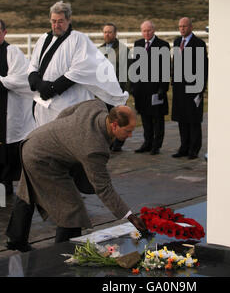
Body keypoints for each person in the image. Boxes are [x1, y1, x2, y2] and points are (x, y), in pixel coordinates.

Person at [6, 99, 147, 252]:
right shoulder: (94, 148)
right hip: (42, 159)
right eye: (128, 131)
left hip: (34, 140)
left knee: (27, 190)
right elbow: (104, 189)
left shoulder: (96, 105)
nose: (131, 135)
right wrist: (130, 217)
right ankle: (63, 256)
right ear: (114, 125)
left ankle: (16, 239)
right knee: (72, 209)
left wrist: (62, 136)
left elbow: (66, 113)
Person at [28, 1, 128, 127]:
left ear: (69, 20)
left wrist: (53, 88)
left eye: (60, 21)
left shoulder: (78, 39)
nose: (56, 25)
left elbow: (80, 69)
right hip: (42, 103)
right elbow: (33, 65)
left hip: (68, 104)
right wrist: (38, 84)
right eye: (53, 21)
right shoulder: (44, 39)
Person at [0, 20, 35, 196]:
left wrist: (1, 81)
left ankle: (6, 192)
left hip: (8, 111)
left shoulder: (11, 52)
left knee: (7, 156)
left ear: (4, 32)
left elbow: (22, 78)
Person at [172, 17, 208, 160]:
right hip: (179, 88)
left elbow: (202, 68)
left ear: (191, 27)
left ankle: (194, 149)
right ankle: (183, 147)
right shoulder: (177, 42)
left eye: (185, 26)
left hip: (193, 87)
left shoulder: (198, 44)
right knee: (182, 119)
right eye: (180, 26)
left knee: (193, 120)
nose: (182, 29)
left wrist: (200, 89)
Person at [132, 20, 170, 155]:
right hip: (142, 90)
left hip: (156, 89)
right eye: (144, 31)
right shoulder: (138, 44)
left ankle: (156, 145)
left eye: (149, 30)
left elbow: (165, 70)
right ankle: (147, 142)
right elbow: (135, 67)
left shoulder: (163, 45)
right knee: (145, 118)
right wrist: (133, 87)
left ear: (153, 30)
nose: (146, 33)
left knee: (158, 119)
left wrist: (162, 89)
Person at [99, 23, 132, 152]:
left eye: (110, 32)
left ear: (115, 34)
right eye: (105, 32)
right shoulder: (99, 50)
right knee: (106, 119)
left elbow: (129, 73)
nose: (107, 34)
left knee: (119, 119)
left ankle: (118, 143)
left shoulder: (123, 50)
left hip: (117, 92)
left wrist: (126, 92)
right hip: (103, 93)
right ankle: (108, 142)